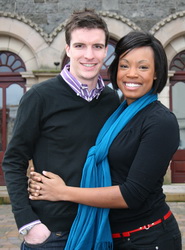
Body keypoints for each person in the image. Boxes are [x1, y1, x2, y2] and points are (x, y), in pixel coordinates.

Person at [29, 31, 182, 250]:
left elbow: (131, 195)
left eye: (143, 67)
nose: (132, 74)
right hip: (115, 236)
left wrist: (63, 192)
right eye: (124, 65)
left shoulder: (160, 121)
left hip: (147, 238)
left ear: (157, 73)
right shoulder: (118, 113)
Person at [2, 9, 120, 249]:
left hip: (100, 226)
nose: (89, 55)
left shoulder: (111, 101)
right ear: (67, 49)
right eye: (80, 46)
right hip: (52, 234)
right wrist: (28, 224)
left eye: (97, 46)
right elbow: (14, 161)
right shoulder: (39, 97)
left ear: (106, 51)